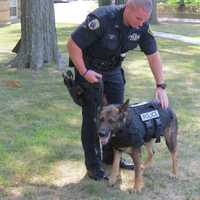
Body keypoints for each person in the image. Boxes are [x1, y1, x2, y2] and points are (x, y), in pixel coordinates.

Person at [67, 0, 169, 181]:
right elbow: (73, 44)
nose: (141, 23)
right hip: (90, 70)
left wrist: (160, 85)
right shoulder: (102, 18)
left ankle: (111, 158)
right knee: (93, 118)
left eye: (144, 20)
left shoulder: (141, 26)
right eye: (138, 18)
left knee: (117, 118)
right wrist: (84, 71)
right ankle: (93, 167)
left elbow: (153, 55)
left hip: (113, 70)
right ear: (128, 7)